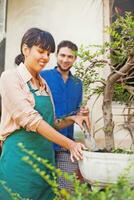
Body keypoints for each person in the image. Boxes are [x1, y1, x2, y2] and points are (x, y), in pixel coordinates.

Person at [0, 28, 90, 200]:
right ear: (26, 50)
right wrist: (70, 144)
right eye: (41, 51)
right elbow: (31, 120)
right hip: (21, 160)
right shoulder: (10, 77)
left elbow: (51, 122)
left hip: (45, 160)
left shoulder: (43, 84)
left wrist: (72, 118)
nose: (45, 58)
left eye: (48, 53)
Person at [40, 40, 90, 192]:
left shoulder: (77, 83)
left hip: (66, 147)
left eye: (70, 56)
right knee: (42, 189)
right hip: (43, 143)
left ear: (75, 59)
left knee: (67, 190)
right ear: (56, 55)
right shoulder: (42, 76)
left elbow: (77, 113)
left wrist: (83, 114)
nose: (65, 60)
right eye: (62, 55)